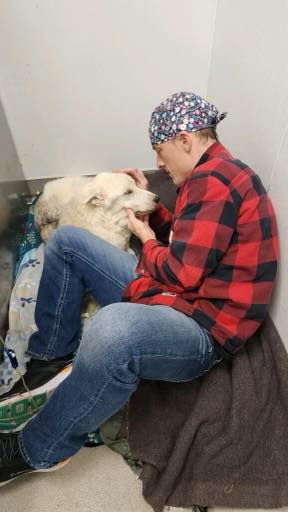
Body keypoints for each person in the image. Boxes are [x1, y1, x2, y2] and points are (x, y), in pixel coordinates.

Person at [0, 91, 278, 485]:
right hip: (177, 298)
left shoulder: (216, 182)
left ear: (185, 140)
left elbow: (182, 274)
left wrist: (145, 239)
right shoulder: (211, 175)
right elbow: (186, 238)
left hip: (201, 330)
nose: (159, 162)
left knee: (113, 329)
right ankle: (50, 357)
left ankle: (38, 448)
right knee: (67, 241)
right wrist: (152, 206)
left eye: (161, 151)